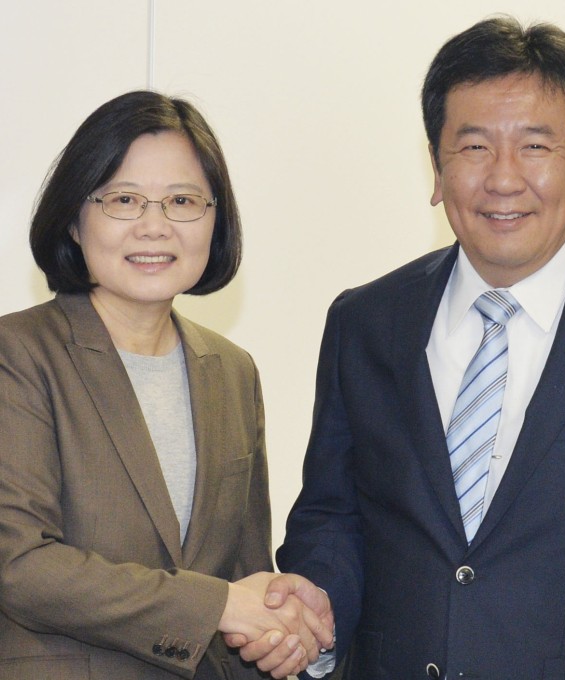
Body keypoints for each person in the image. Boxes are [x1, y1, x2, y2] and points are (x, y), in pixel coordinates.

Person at [249, 15, 565, 680]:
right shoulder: (365, 322)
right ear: (437, 169)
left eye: (535, 146)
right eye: (475, 147)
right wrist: (318, 609)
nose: (504, 179)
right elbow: (334, 516)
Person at [0, 90, 333, 679]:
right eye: (124, 200)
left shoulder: (233, 370)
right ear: (74, 220)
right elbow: (19, 563)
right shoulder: (20, 353)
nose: (154, 227)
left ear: (215, 219)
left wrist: (277, 634)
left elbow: (244, 576)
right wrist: (217, 605)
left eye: (182, 201)